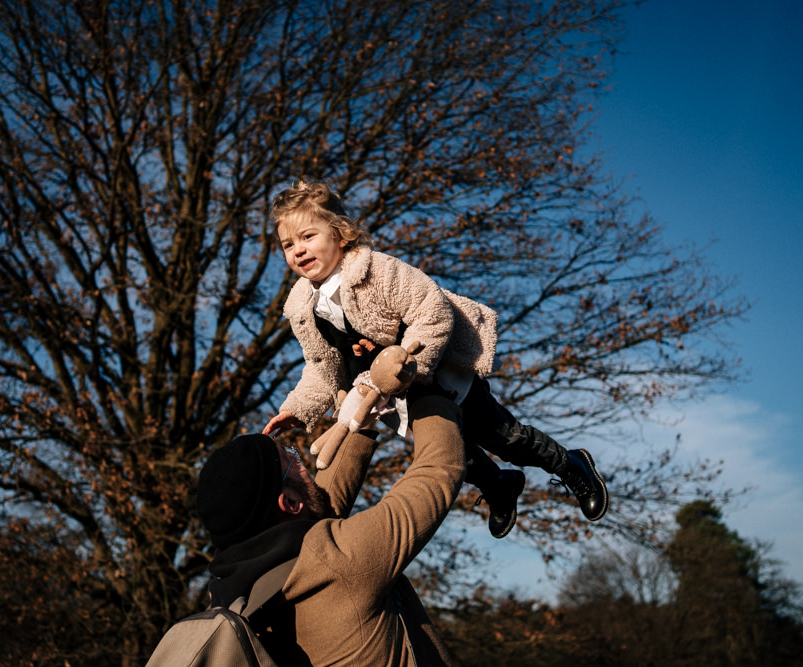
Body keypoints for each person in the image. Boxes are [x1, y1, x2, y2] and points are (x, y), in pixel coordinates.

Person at [263, 180, 608, 538]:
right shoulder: (304, 306)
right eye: (288, 244)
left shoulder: (376, 271)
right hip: (396, 395)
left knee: (506, 438)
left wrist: (410, 364)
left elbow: (432, 310)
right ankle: (500, 487)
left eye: (308, 237)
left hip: (438, 373)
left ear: (340, 234)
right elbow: (323, 366)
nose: (298, 250)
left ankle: (571, 465)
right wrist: (297, 407)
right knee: (456, 456)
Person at [197, 394, 465, 665]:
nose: (302, 463)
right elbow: (439, 468)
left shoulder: (236, 594)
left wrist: (361, 416)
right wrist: (432, 391)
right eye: (292, 460)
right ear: (288, 502)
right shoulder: (339, 561)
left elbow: (319, 511)